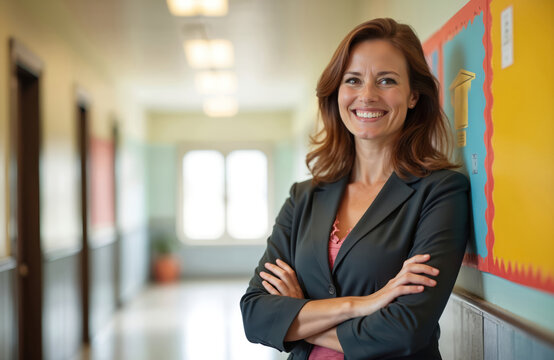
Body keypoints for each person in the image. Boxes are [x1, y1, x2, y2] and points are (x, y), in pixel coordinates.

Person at [240, 18, 469, 360]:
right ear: (337, 93)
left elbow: (403, 331)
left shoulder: (440, 193)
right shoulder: (303, 198)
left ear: (412, 96)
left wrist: (299, 312)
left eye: (386, 80)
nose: (367, 95)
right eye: (353, 80)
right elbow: (256, 316)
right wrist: (363, 304)